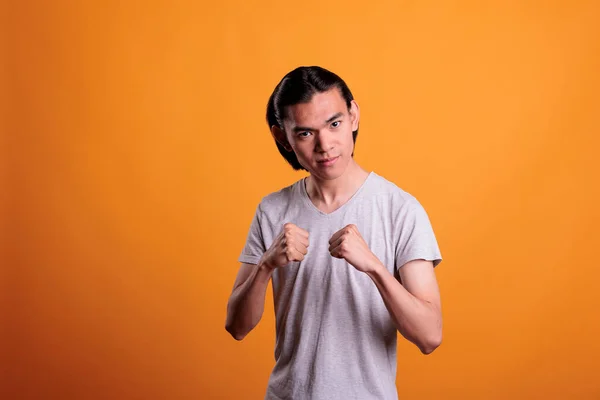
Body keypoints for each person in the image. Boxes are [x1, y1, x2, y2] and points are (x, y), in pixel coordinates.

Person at [225, 66, 443, 400]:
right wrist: (266, 264)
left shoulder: (400, 208)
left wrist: (375, 267)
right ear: (282, 136)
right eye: (305, 133)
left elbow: (430, 336)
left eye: (334, 123)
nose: (325, 145)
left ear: (353, 115)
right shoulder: (272, 210)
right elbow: (237, 327)